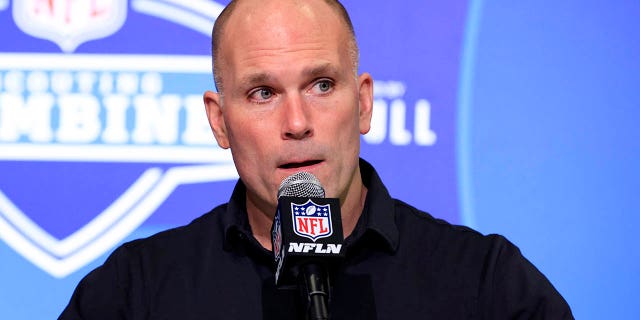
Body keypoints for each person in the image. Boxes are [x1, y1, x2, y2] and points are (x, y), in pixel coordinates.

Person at [59, 0, 573, 319]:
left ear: (364, 102)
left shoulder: (486, 284)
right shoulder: (138, 291)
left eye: (321, 85)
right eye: (262, 93)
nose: (298, 121)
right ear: (219, 121)